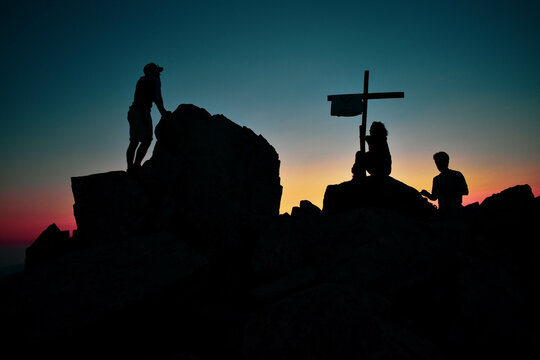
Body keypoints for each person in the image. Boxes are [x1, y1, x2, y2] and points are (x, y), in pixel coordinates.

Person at [126, 62, 171, 173]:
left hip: (133, 111)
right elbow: (157, 98)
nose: (159, 74)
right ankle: (136, 166)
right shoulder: (154, 80)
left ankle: (130, 167)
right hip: (142, 112)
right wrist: (164, 113)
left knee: (134, 140)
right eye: (157, 71)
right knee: (146, 139)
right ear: (153, 71)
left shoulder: (141, 80)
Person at [421, 151, 469, 217]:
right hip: (443, 213)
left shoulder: (457, 175)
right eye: (436, 163)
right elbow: (434, 197)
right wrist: (426, 194)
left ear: (447, 162)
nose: (438, 165)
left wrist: (447, 191)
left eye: (439, 162)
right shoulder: (436, 179)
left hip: (456, 212)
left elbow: (465, 191)